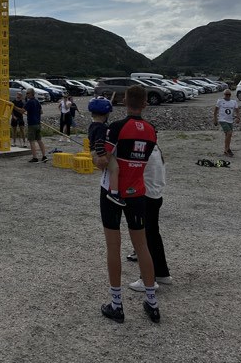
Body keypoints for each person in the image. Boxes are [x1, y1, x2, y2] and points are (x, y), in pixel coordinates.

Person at [94, 85, 160, 324]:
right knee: (142, 246)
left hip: (112, 193)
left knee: (113, 247)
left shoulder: (116, 127)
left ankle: (116, 304)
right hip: (137, 193)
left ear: (124, 102)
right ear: (145, 104)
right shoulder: (151, 131)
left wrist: (96, 154)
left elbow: (102, 161)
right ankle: (152, 302)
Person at [128, 144, 172, 291]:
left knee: (145, 239)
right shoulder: (156, 149)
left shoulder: (145, 151)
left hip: (146, 197)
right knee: (153, 235)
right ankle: (162, 273)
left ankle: (147, 279)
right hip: (156, 196)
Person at [87, 97, 124, 207]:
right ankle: (114, 193)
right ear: (106, 114)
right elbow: (99, 142)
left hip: (93, 152)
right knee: (115, 169)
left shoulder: (92, 126)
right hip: (100, 153)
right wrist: (102, 156)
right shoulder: (102, 127)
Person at [213, 89, 239, 157]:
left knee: (228, 135)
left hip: (230, 120)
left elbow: (237, 110)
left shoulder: (234, 102)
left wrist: (238, 118)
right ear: (224, 94)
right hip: (222, 120)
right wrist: (215, 119)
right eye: (226, 94)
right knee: (229, 133)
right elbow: (215, 111)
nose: (227, 96)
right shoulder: (220, 101)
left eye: (229, 94)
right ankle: (226, 149)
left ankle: (227, 148)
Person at [24, 89, 47, 163]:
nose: (26, 94)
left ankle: (35, 157)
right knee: (39, 140)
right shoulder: (37, 101)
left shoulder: (30, 102)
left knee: (32, 141)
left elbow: (22, 110)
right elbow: (41, 112)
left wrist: (13, 107)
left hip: (32, 124)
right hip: (38, 123)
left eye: (27, 93)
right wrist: (34, 114)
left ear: (32, 94)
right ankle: (44, 156)